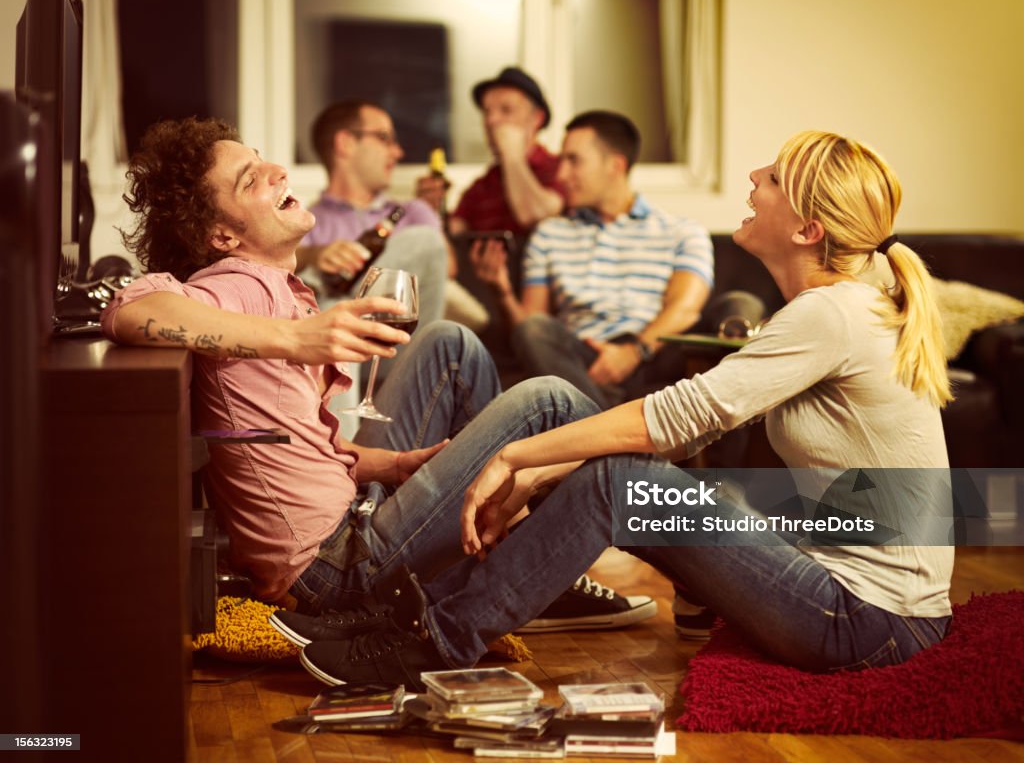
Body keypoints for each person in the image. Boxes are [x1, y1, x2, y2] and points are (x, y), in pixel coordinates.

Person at [285, 130, 957, 693]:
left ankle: (431, 640)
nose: (754, 176)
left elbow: (678, 418)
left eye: (774, 177)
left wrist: (517, 458)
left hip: (869, 621)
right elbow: (668, 434)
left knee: (616, 482)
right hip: (839, 588)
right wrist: (544, 467)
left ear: (809, 228)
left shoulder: (831, 313)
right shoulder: (847, 302)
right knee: (564, 408)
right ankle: (402, 603)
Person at [105, 117, 655, 633]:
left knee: (450, 344)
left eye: (264, 160)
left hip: (355, 515)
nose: (276, 171)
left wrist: (394, 465)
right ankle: (575, 557)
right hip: (339, 569)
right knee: (546, 402)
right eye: (252, 179)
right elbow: (129, 307)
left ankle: (514, 557)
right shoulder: (235, 286)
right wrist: (297, 339)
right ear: (223, 236)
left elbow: (305, 445)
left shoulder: (277, 287)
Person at [474, 110, 714, 409]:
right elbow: (529, 325)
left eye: (574, 160)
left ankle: (588, 427)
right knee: (534, 329)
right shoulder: (550, 234)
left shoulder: (683, 232)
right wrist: (502, 292)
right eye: (562, 160)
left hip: (652, 355)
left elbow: (684, 310)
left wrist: (632, 352)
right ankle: (607, 433)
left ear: (615, 165)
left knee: (728, 320)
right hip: (579, 361)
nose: (561, 175)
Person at [298, 99, 487, 337]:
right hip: (336, 348)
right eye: (384, 138)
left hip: (400, 345)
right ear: (345, 143)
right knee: (317, 299)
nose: (398, 152)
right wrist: (316, 255)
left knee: (425, 240)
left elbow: (444, 266)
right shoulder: (305, 222)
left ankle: (344, 310)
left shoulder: (413, 211)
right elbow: (283, 271)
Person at [417, 66, 566, 238]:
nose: (491, 120)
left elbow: (534, 216)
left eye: (506, 110)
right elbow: (452, 237)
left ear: (537, 118)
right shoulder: (481, 187)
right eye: (487, 112)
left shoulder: (560, 170)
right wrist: (428, 211)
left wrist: (512, 156)